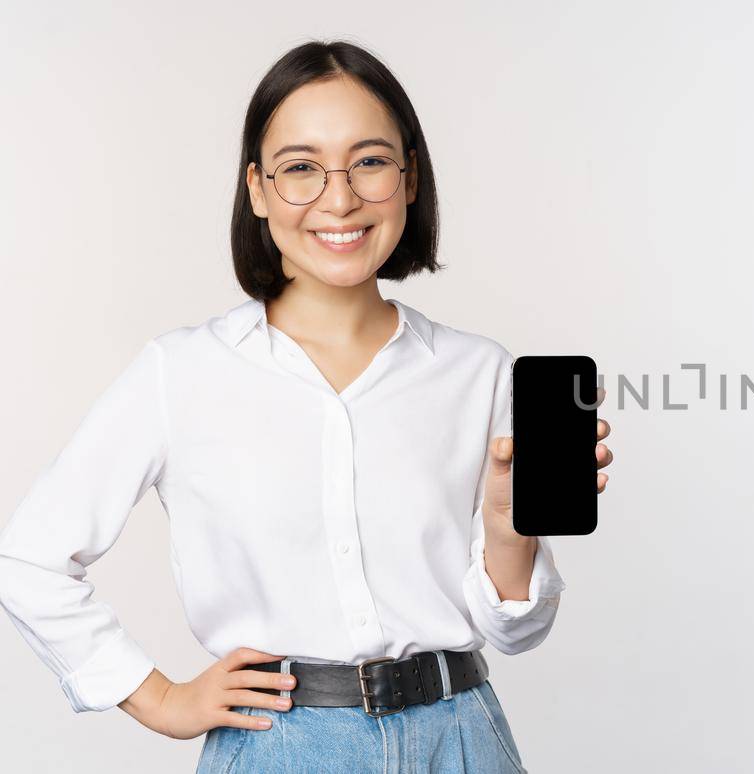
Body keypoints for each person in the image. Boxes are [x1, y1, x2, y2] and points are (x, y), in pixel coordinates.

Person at [0, 39, 614, 773]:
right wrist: (158, 697)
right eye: (300, 168)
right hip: (280, 749)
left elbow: (515, 632)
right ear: (257, 190)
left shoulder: (479, 372)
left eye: (371, 161)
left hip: (463, 740)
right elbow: (28, 557)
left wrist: (509, 533)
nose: (340, 197)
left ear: (409, 177)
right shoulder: (181, 372)